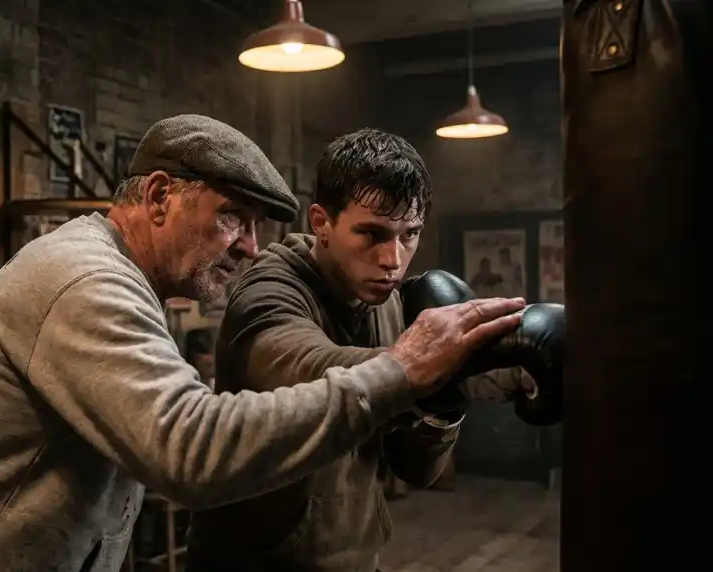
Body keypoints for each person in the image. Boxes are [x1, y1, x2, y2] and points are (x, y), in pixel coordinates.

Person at [0, 115, 524, 572]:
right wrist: (408, 369)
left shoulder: (123, 280)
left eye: (257, 225)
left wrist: (437, 392)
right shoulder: (85, 280)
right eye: (233, 217)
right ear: (160, 197)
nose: (249, 246)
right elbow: (187, 449)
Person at [186, 128, 529, 572]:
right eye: (371, 234)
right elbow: (314, 368)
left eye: (409, 234)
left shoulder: (388, 305)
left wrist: (446, 401)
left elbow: (415, 469)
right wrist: (452, 364)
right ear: (321, 223)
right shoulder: (268, 292)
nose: (393, 260)